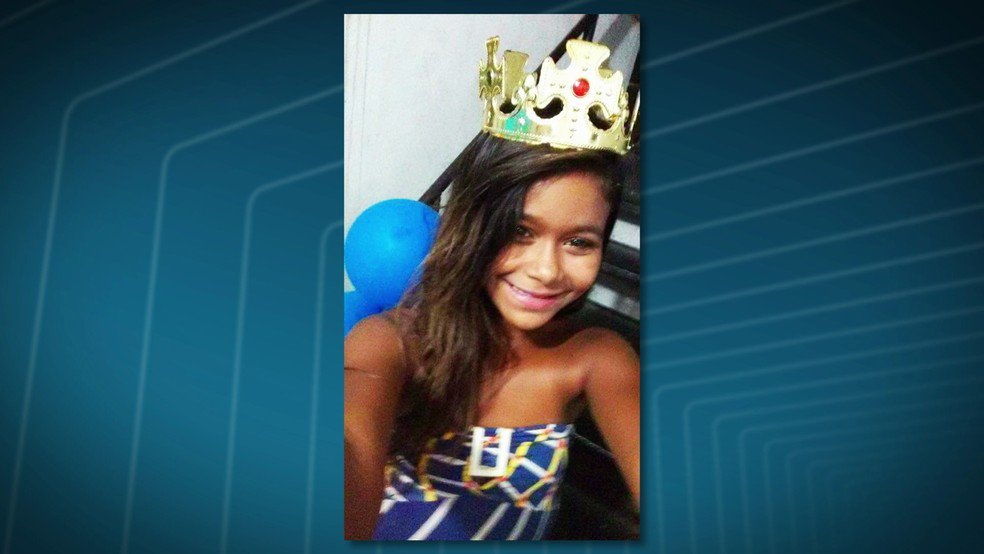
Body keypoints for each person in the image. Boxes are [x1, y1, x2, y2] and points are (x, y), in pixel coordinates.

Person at [344, 35, 640, 541]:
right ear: (473, 225)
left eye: (578, 241)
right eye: (520, 231)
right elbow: (349, 435)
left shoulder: (594, 357)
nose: (546, 270)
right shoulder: (391, 341)